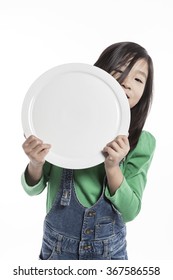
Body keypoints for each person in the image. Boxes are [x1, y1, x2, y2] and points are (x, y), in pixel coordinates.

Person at [21, 41, 156, 260]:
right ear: (98, 75)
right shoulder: (60, 128)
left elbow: (130, 211)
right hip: (57, 250)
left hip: (110, 253)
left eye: (138, 79)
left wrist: (113, 167)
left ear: (144, 92)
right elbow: (33, 189)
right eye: (118, 72)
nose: (127, 83)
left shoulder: (142, 142)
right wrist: (35, 162)